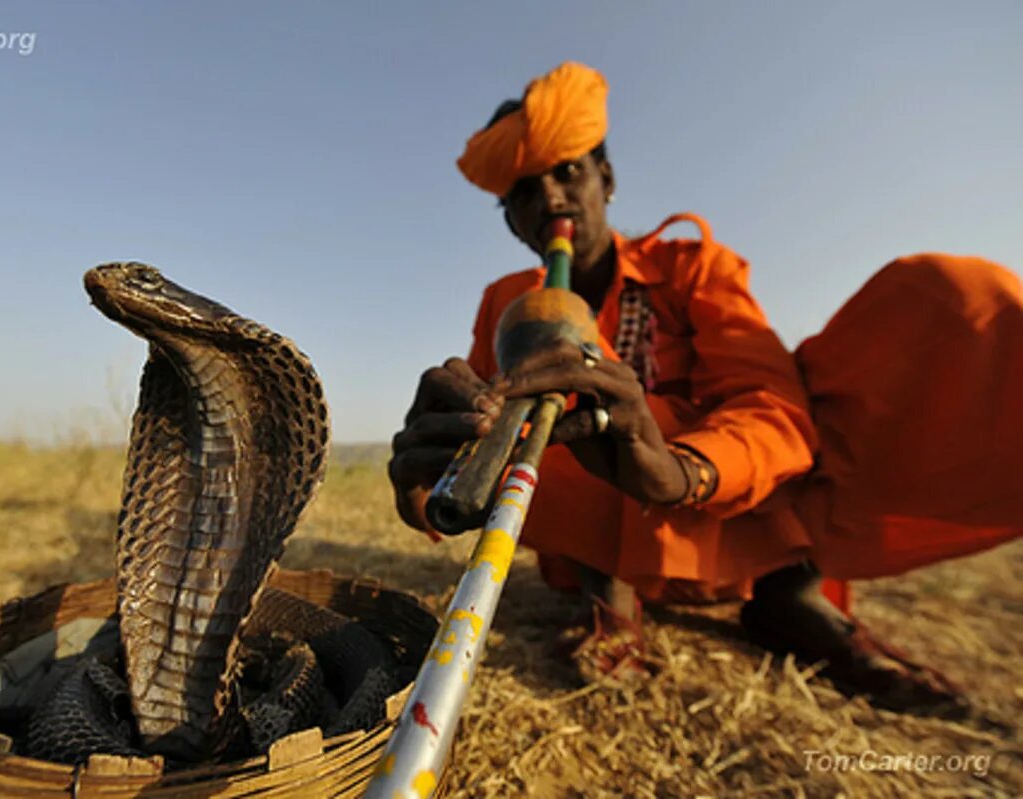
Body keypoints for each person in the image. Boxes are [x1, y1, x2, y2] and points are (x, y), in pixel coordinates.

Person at [387, 62, 1023, 715]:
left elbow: (770, 403)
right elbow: (481, 442)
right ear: (512, 223)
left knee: (949, 307)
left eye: (568, 172)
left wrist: (677, 469)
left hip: (724, 516)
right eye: (524, 192)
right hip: (600, 530)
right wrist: (432, 480)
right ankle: (607, 590)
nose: (550, 198)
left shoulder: (693, 265)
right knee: (556, 416)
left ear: (606, 180)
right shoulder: (507, 302)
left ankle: (787, 592)